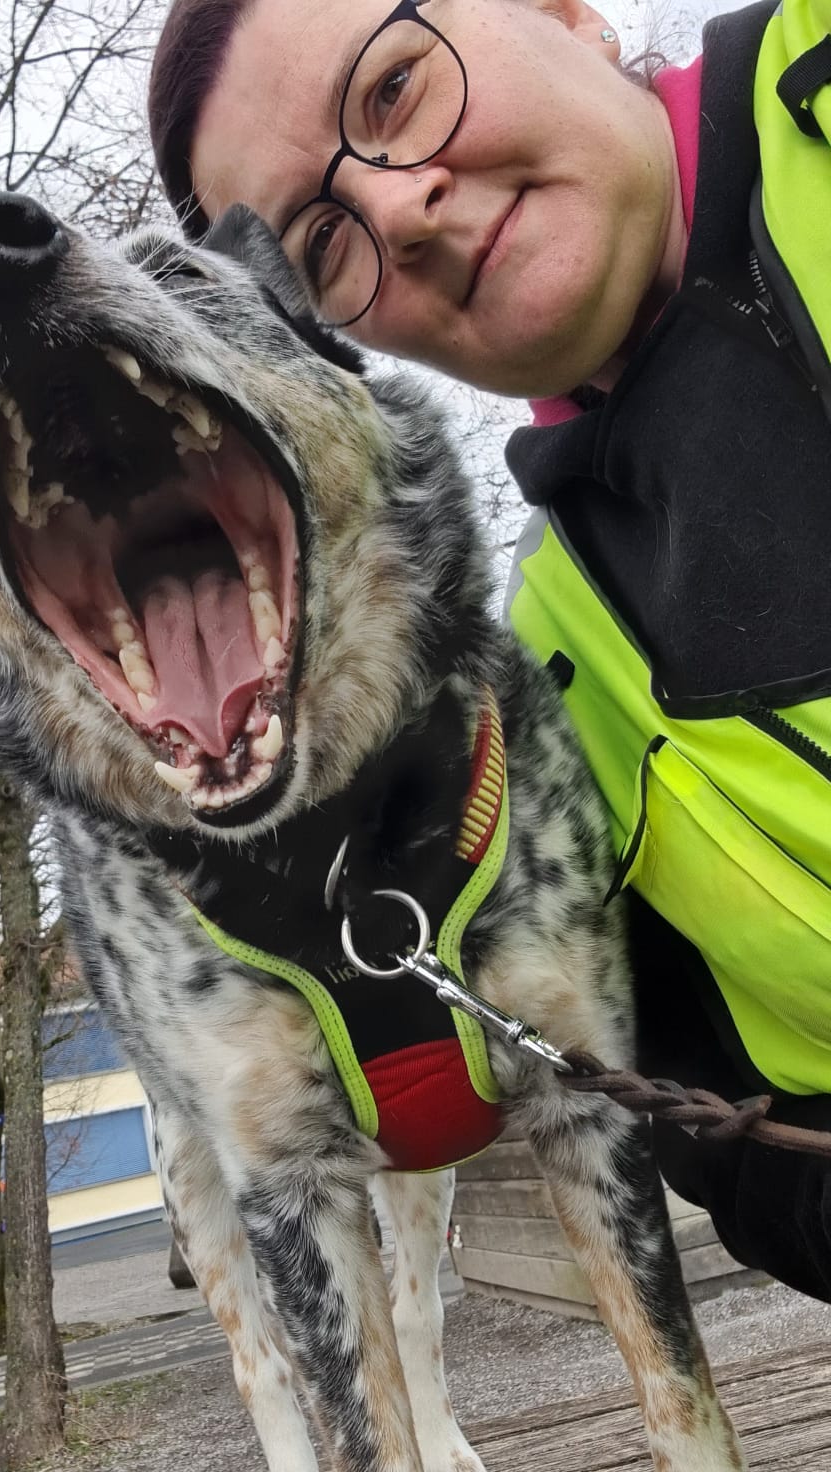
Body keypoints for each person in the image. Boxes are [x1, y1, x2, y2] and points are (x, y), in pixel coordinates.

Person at [147, 0, 831, 1300]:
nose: (396, 210)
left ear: (566, 15)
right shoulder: (548, 691)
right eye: (322, 240)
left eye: (394, 88)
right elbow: (730, 1144)